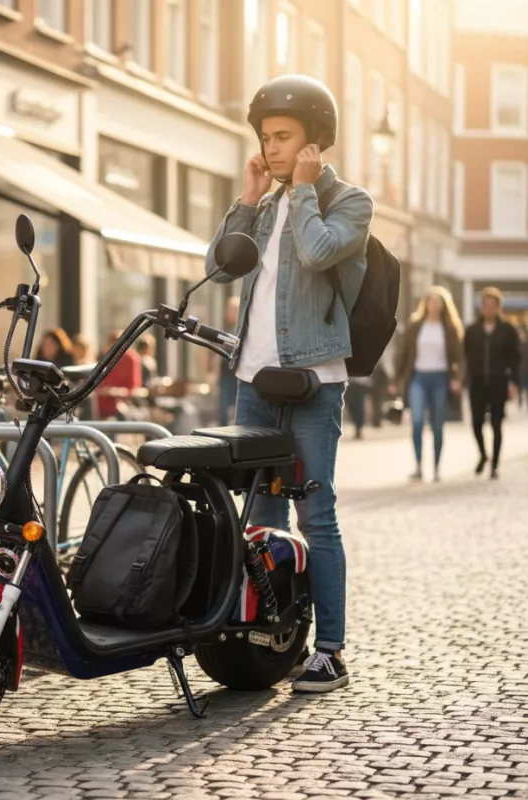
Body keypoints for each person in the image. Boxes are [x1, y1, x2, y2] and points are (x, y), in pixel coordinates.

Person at [205, 74, 373, 694]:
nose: (271, 148)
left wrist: (302, 190)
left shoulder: (349, 202)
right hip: (253, 379)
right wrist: (248, 199)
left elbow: (317, 253)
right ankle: (266, 641)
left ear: (313, 141)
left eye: (284, 137)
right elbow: (218, 268)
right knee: (260, 515)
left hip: (313, 381)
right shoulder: (265, 204)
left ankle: (330, 650)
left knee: (315, 515)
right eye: (265, 137)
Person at [391, 286, 463, 482]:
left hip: (440, 378)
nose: (434, 305)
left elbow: (459, 357)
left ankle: (437, 467)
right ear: (426, 303)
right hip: (418, 378)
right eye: (431, 301)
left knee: (437, 425)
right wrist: (396, 379)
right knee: (417, 422)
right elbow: (403, 353)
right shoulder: (415, 326)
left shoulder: (449, 328)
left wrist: (457, 379)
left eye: (437, 302)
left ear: (443, 306)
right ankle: (418, 466)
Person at [463, 287, 521, 479]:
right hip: (477, 380)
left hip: (498, 381)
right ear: (481, 307)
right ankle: (483, 454)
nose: (488, 309)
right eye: (485, 305)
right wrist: (464, 378)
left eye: (492, 305)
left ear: (498, 307)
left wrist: (513, 382)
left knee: (496, 423)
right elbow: (466, 355)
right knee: (476, 421)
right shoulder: (472, 330)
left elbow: (515, 358)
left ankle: (495, 464)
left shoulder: (507, 330)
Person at [95, 329, 142, 420]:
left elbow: (134, 389)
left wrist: (116, 392)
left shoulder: (131, 358)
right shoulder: (104, 357)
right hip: (100, 406)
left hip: (122, 406)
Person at [213, 296, 240, 426]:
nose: (229, 313)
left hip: (239, 375)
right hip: (225, 375)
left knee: (238, 408)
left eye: (233, 310)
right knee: (223, 408)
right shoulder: (224, 330)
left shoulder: (242, 329)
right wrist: (214, 372)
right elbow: (216, 352)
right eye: (229, 309)